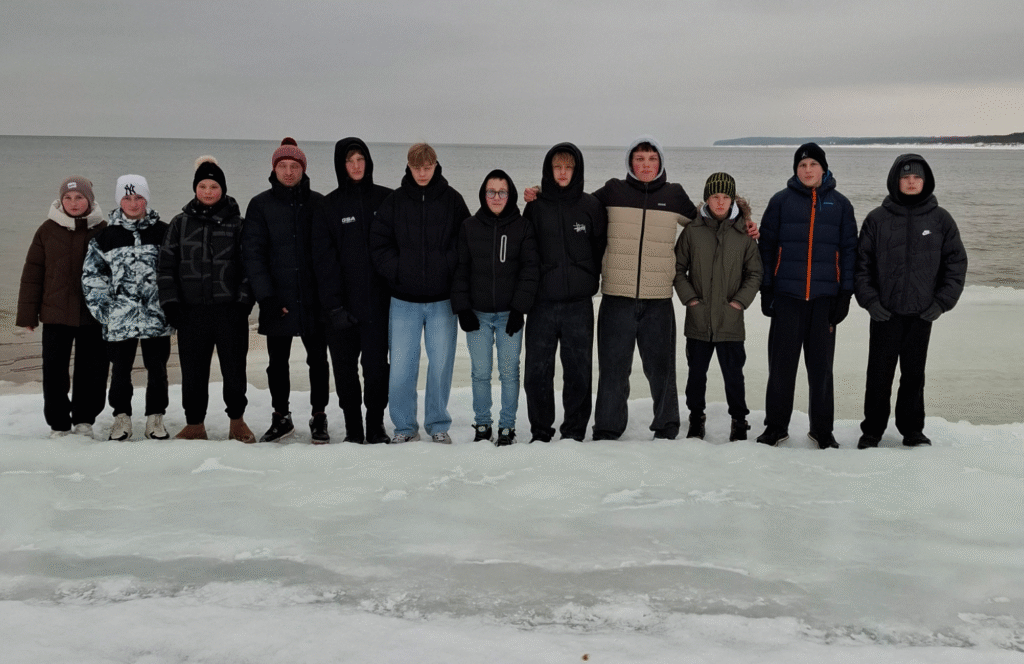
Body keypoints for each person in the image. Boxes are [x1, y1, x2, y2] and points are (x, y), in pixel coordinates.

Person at [854, 154, 967, 448]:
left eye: (917, 177)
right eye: (906, 177)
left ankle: (912, 430)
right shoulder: (877, 219)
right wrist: (870, 301)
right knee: (878, 375)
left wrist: (941, 302)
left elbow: (956, 263)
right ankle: (872, 430)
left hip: (922, 313)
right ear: (896, 181)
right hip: (885, 313)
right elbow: (861, 265)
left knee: (914, 375)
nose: (912, 182)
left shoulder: (940, 219)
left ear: (925, 181)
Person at [590, 136, 697, 441]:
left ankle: (667, 426)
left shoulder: (674, 195)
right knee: (613, 370)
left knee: (661, 370)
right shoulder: (614, 190)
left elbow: (705, 224)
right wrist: (541, 194)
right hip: (616, 297)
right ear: (630, 162)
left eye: (652, 159)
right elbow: (577, 206)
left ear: (660, 162)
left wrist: (744, 223)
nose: (646, 165)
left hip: (658, 300)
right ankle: (608, 428)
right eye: (639, 159)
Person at [756, 143, 857, 449]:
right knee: (781, 368)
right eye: (802, 165)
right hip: (787, 297)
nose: (808, 170)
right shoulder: (780, 202)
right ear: (795, 170)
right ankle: (775, 427)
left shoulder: (841, 205)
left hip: (825, 300)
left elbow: (849, 251)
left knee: (821, 370)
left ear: (824, 169)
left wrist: (845, 294)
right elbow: (766, 248)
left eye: (813, 164)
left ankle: (822, 430)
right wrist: (767, 289)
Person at [369, 143, 470, 444]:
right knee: (401, 368)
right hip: (403, 301)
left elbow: (465, 242)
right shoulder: (395, 201)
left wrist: (446, 267)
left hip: (442, 301)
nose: (422, 173)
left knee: (440, 366)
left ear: (436, 165)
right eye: (417, 168)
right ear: (409, 167)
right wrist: (399, 270)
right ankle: (404, 427)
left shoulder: (453, 200)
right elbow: (379, 243)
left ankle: (437, 424)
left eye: (427, 167)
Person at [158, 156, 255, 443]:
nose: (208, 191)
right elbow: (166, 266)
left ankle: (237, 421)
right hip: (191, 313)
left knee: (234, 371)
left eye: (214, 186)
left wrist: (243, 303)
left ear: (222, 189)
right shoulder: (180, 224)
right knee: (193, 373)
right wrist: (171, 304)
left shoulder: (238, 224)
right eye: (203, 186)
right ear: (195, 188)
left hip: (229, 312)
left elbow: (250, 267)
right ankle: (194, 424)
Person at [242, 138, 329, 444]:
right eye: (283, 166)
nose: (289, 172)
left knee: (318, 361)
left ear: (303, 169)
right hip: (276, 298)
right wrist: (266, 297)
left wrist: (327, 295)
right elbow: (253, 255)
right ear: (274, 169)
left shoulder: (319, 203)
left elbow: (327, 253)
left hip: (313, 299)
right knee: (277, 363)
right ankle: (281, 416)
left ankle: (319, 416)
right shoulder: (260, 205)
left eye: (294, 166)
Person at [521, 143, 606, 443]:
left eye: (568, 167)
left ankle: (573, 432)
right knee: (537, 372)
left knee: (579, 372)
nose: (562, 172)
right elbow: (526, 252)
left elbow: (600, 247)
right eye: (557, 167)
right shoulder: (535, 206)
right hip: (542, 304)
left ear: (576, 170)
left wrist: (586, 277)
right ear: (549, 170)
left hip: (578, 305)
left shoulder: (590, 206)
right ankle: (540, 431)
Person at [312, 138, 393, 444]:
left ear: (368, 161)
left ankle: (375, 425)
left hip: (377, 306)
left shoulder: (386, 199)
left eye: (360, 159)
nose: (356, 166)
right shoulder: (328, 205)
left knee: (376, 370)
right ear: (340, 165)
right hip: (340, 310)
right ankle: (353, 428)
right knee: (345, 372)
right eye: (350, 160)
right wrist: (333, 306)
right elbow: (323, 260)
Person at [451, 169, 539, 446]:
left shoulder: (522, 227)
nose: (497, 197)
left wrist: (519, 308)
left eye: (502, 192)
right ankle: (482, 424)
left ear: (510, 194)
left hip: (508, 315)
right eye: (491, 191)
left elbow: (530, 270)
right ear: (483, 194)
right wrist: (462, 308)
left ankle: (507, 427)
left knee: (510, 373)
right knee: (480, 372)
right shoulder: (469, 226)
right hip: (477, 315)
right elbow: (460, 269)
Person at [17, 176, 110, 438]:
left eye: (79, 197)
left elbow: (115, 273)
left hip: (93, 315)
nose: (73, 203)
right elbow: (33, 273)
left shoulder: (103, 229)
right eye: (68, 198)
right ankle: (58, 423)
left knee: (92, 370)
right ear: (61, 201)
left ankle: (84, 420)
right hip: (55, 314)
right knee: (54, 370)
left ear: (89, 200)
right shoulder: (47, 230)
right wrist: (28, 315)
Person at [82, 175, 172, 441]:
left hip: (157, 317)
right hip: (119, 319)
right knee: (120, 370)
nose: (133, 203)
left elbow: (177, 271)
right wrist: (105, 311)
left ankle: (155, 416)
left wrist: (172, 306)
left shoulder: (165, 232)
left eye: (138, 197)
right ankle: (121, 417)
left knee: (158, 369)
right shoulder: (105, 237)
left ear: (146, 199)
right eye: (127, 198)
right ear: (119, 201)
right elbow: (92, 276)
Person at [673, 173, 762, 441]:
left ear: (732, 199)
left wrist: (739, 303)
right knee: (696, 376)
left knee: (734, 376)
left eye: (725, 196)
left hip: (730, 319)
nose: (720, 202)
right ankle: (696, 418)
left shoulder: (744, 233)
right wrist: (691, 300)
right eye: (715, 196)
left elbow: (755, 273)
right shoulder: (692, 231)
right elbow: (677, 269)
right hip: (698, 319)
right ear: (707, 199)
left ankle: (739, 421)